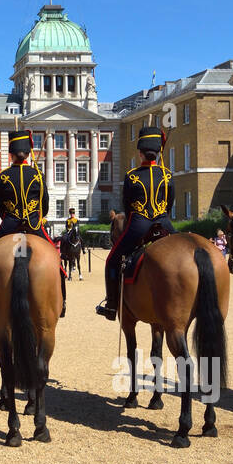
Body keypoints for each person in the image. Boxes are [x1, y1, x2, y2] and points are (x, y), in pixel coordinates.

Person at [0, 129, 63, 315]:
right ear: (27, 153)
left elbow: (0, 206)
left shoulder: (3, 177)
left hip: (9, 226)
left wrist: (10, 218)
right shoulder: (38, 176)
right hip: (35, 226)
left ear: (11, 154)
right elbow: (45, 205)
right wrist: (35, 217)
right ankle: (63, 301)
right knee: (57, 261)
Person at [97, 125, 174, 320]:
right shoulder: (168, 175)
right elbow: (170, 204)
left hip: (139, 225)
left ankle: (112, 305)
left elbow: (128, 206)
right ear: (157, 153)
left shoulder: (132, 176)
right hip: (165, 224)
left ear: (140, 153)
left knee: (112, 261)